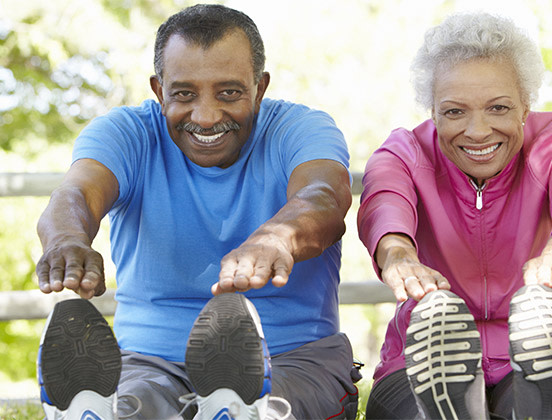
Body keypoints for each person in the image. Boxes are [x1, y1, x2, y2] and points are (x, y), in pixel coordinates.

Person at [35, 4, 359, 419]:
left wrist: (277, 236)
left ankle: (242, 410)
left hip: (292, 357)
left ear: (259, 88)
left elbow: (324, 198)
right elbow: (76, 193)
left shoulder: (302, 128)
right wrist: (67, 239)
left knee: (265, 408)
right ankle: (100, 412)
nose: (206, 117)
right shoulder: (126, 133)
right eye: (184, 94)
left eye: (229, 93)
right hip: (149, 363)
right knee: (136, 408)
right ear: (159, 90)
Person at [357, 12, 552, 420]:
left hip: (542, 351)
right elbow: (384, 201)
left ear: (525, 106)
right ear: (432, 110)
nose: (478, 131)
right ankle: (456, 403)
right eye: (455, 112)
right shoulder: (405, 154)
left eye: (498, 108)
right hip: (419, 361)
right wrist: (398, 255)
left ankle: (543, 398)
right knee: (414, 410)